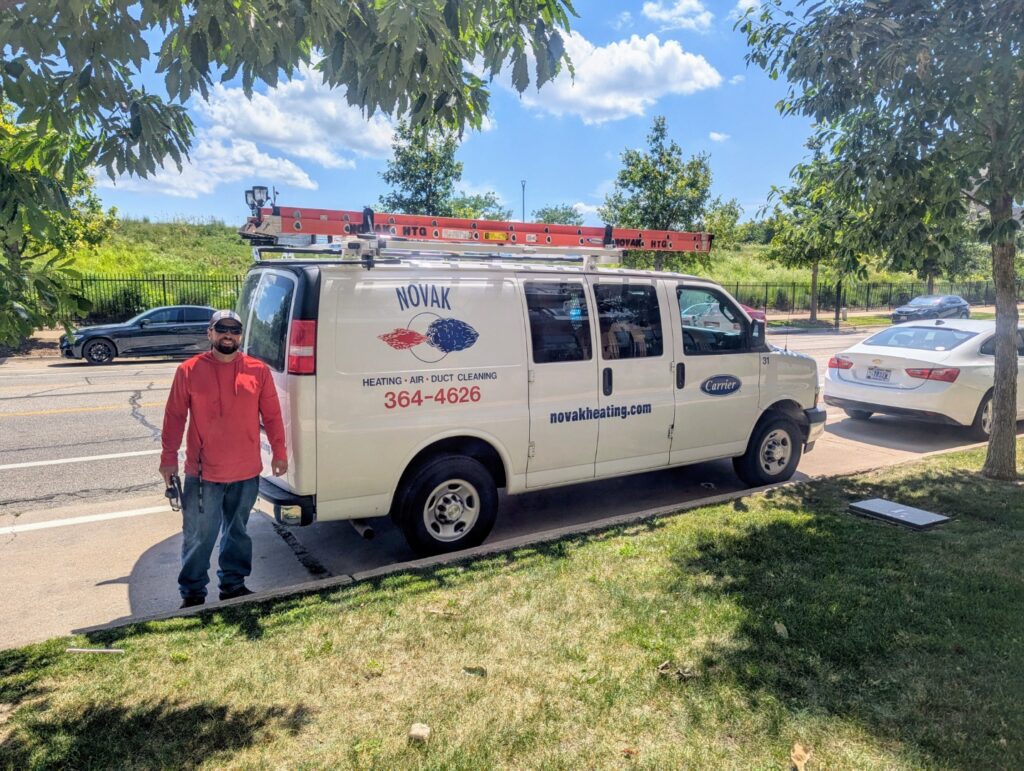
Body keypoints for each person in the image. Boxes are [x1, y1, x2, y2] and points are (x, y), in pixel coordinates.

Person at [159, 310, 288, 608]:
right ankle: (192, 594)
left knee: (238, 532)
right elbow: (175, 417)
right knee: (198, 536)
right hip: (204, 474)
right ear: (210, 333)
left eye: (235, 330)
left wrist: (279, 453)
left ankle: (233, 585)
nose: (228, 335)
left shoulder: (258, 370)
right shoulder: (189, 370)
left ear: (241, 335)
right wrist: (168, 460)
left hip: (246, 472)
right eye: (222, 329)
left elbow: (272, 416)